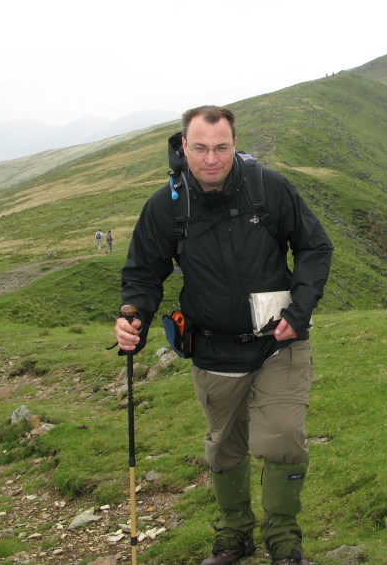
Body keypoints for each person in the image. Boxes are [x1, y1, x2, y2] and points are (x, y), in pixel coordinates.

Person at [115, 105, 333, 565]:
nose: (211, 158)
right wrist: (132, 315)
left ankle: (284, 542)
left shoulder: (267, 189)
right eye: (200, 148)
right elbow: (142, 273)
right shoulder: (167, 206)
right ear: (183, 147)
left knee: (284, 436)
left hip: (278, 340)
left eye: (221, 147)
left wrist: (301, 307)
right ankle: (234, 534)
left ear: (234, 144)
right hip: (213, 347)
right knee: (225, 445)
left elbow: (314, 246)